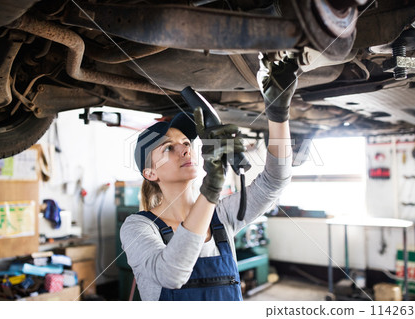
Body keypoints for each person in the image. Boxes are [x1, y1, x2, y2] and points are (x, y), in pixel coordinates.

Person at [120, 54, 298, 301]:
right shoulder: (138, 227)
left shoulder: (221, 217)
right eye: (168, 147)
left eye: (185, 142)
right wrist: (211, 188)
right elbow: (171, 275)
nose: (184, 149)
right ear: (150, 173)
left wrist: (278, 113)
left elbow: (274, 181)